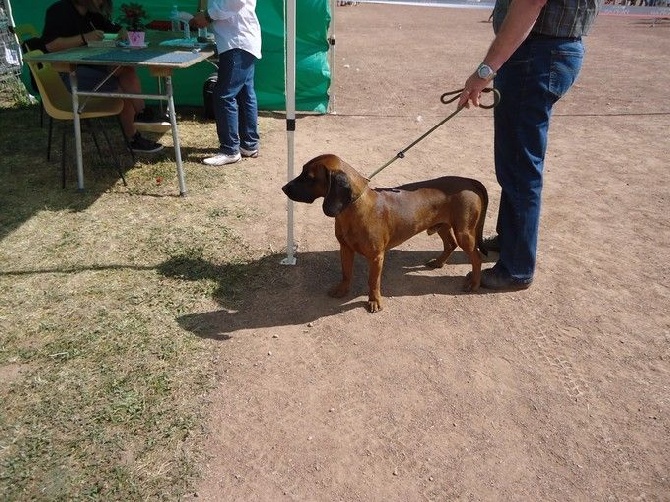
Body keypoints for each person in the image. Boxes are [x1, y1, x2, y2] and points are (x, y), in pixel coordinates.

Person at [458, 0, 603, 291]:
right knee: (515, 164)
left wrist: (485, 70)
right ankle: (511, 240)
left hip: (536, 56)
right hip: (547, 52)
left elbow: (529, 3)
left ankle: (517, 267)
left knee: (521, 168)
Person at [41, 0, 163, 153]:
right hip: (65, 74)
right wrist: (85, 38)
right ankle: (133, 138)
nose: (102, 2)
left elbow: (113, 28)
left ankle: (143, 114)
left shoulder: (92, 13)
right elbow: (51, 45)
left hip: (86, 66)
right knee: (123, 89)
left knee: (126, 70)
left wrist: (123, 31)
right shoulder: (59, 10)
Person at [191, 0, 262, 166]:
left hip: (236, 42)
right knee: (245, 93)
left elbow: (237, 1)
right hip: (239, 41)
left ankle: (230, 150)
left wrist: (208, 16)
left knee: (224, 95)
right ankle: (249, 144)